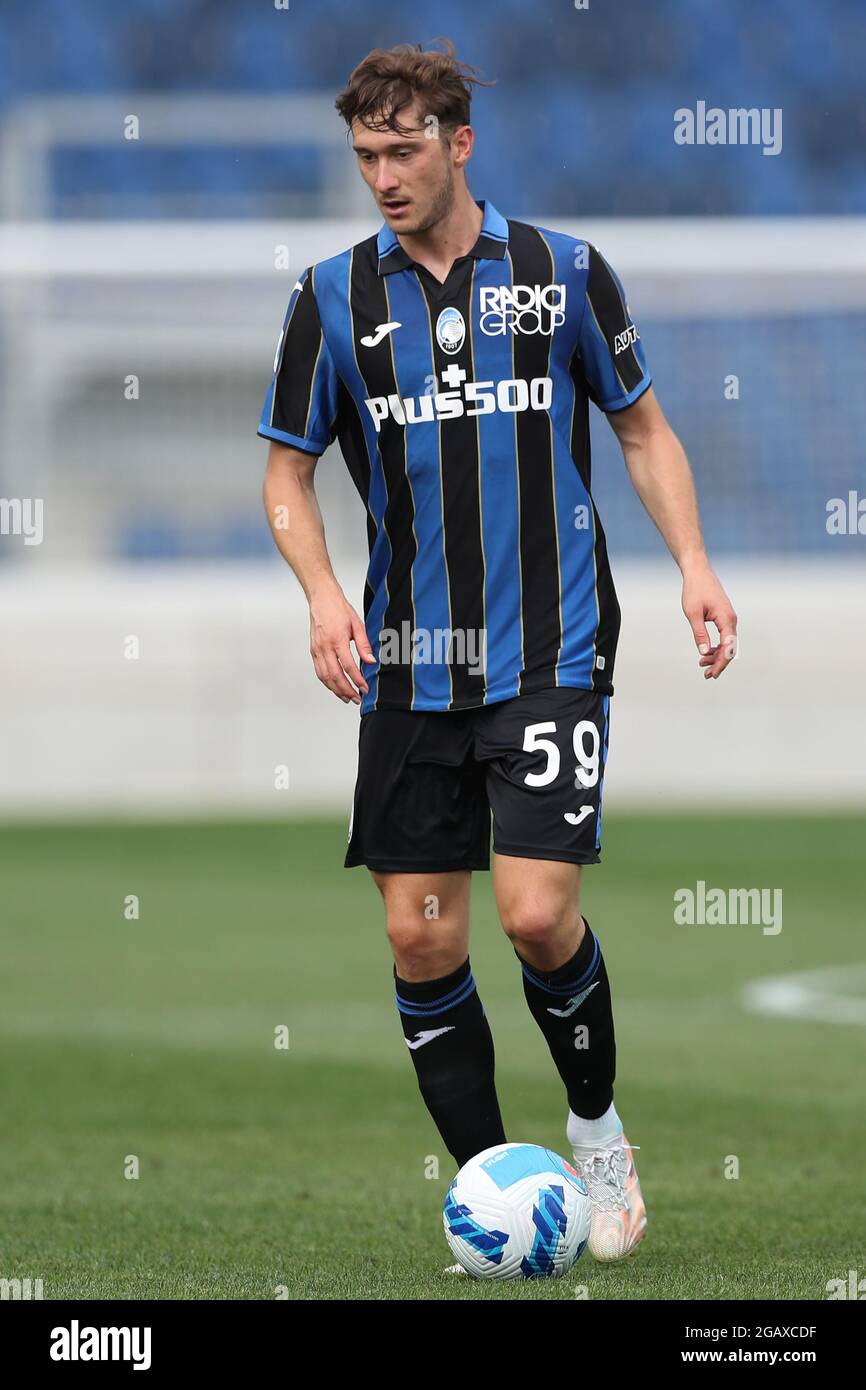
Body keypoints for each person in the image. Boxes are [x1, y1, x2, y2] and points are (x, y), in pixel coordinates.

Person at [260, 40, 737, 1263]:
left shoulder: (562, 272)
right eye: (365, 155)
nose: (383, 175)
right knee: (422, 935)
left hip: (550, 645)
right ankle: (492, 1191)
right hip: (409, 663)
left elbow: (641, 431)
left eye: (403, 149)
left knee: (532, 917)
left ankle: (595, 1135)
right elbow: (286, 473)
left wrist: (690, 562)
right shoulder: (330, 298)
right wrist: (321, 595)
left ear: (459, 142)